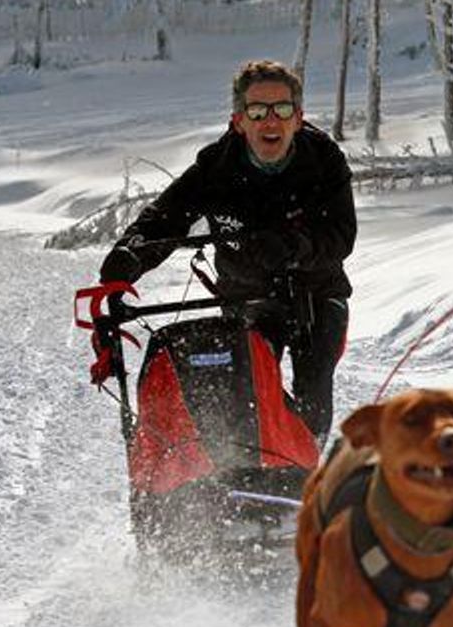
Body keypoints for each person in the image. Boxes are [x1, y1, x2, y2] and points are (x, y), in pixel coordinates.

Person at [100, 59, 356, 444]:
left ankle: (305, 459)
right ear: (239, 121)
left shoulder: (324, 160)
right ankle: (243, 467)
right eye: (257, 111)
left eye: (282, 109)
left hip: (317, 293)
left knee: (313, 398)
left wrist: (291, 247)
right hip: (247, 295)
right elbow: (166, 218)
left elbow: (341, 234)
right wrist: (131, 254)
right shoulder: (216, 168)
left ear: (298, 118)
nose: (270, 121)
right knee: (246, 399)